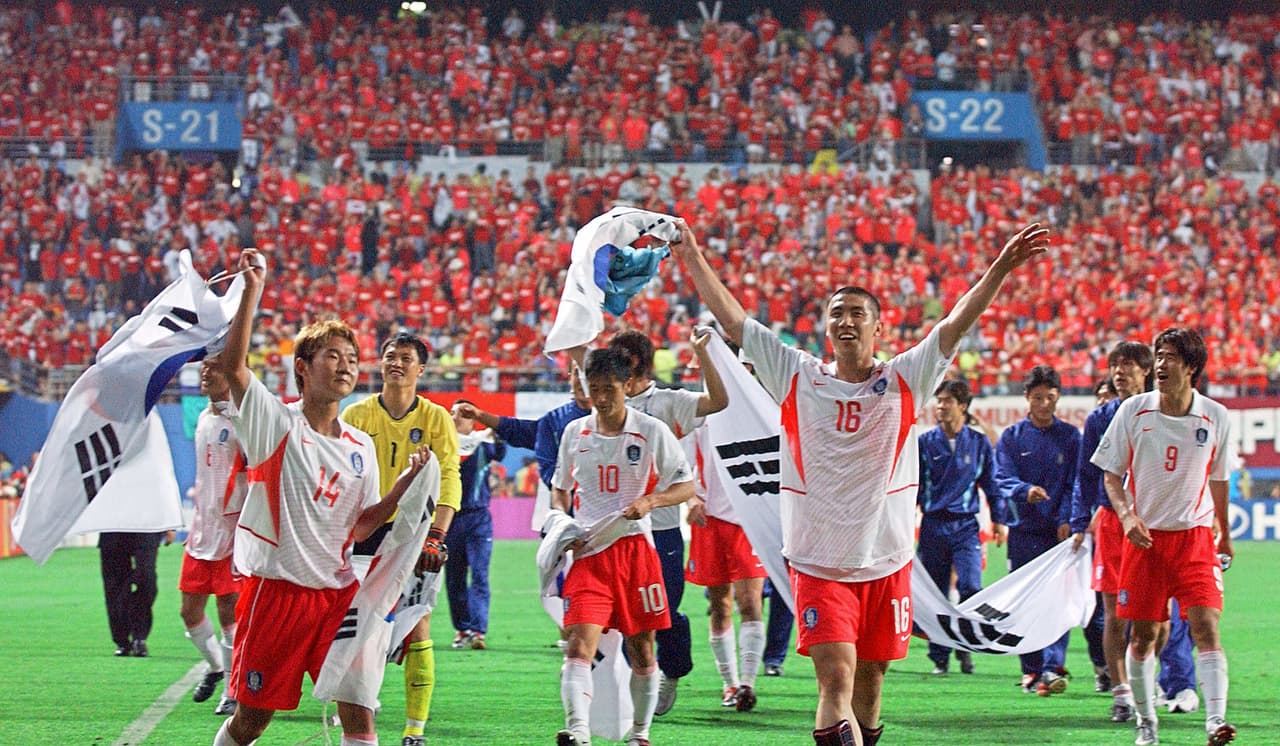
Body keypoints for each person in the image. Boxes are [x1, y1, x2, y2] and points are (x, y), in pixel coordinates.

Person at [671, 218, 1050, 745]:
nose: (845, 321)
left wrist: (1001, 268)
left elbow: (954, 326)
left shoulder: (904, 379)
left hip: (886, 561)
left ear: (878, 328)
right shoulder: (797, 374)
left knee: (871, 684)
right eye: (836, 314)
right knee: (837, 677)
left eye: (856, 313)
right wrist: (691, 252)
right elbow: (735, 323)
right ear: (826, 329)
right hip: (818, 560)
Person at [213, 248, 431, 746]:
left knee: (360, 712)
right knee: (253, 720)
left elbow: (361, 525)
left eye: (352, 359)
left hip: (337, 596)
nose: (345, 366)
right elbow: (234, 368)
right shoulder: (277, 423)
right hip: (279, 595)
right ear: (303, 369)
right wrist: (252, 291)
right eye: (332, 355)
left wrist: (402, 491)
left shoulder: (361, 446)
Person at [1091, 328, 1236, 746]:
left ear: (1191, 367)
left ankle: (1215, 720)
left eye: (1169, 356)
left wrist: (1223, 534)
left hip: (1194, 539)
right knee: (1143, 636)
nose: (1160, 364)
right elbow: (1112, 473)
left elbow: (1220, 479)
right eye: (1158, 355)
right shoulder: (1134, 411)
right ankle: (1146, 721)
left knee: (1205, 624)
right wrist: (1127, 516)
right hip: (1146, 541)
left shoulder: (1216, 416)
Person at [552, 347, 695, 746]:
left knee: (643, 649)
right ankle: (578, 732)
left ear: (627, 386)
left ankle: (640, 733)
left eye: (609, 389)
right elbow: (559, 490)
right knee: (579, 644)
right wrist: (560, 521)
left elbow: (686, 485)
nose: (600, 398)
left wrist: (650, 501)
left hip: (635, 552)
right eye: (593, 389)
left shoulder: (651, 430)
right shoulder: (574, 433)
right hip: (589, 553)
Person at [340, 332, 461, 746]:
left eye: (406, 358)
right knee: (355, 628)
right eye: (390, 355)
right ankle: (357, 703)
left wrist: (437, 536)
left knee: (418, 627)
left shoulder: (435, 418)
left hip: (414, 536)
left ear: (420, 369)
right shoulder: (355, 416)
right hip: (365, 532)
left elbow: (449, 478)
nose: (396, 362)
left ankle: (414, 730)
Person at [605, 328, 728, 715]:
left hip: (661, 527)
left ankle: (671, 672)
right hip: (618, 527)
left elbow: (719, 400)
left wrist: (702, 355)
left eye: (620, 359)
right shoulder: (606, 404)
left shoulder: (668, 402)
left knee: (665, 610)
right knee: (622, 612)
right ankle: (636, 681)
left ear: (637, 363)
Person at [1070, 341, 1155, 722]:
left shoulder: (1161, 412)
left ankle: (1144, 681)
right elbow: (1087, 475)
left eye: (1129, 366)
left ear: (1146, 371)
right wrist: (1080, 520)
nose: (1120, 372)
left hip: (1154, 520)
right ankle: (1121, 693)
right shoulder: (1098, 418)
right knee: (1113, 614)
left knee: (1156, 619)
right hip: (1110, 521)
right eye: (1115, 366)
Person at [994, 365, 1080, 696]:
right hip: (1024, 532)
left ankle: (1052, 667)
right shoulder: (1012, 437)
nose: (1044, 403)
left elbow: (1076, 483)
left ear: (1058, 397)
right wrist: (1023, 490)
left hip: (1058, 534)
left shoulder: (1071, 438)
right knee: (1026, 603)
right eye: (1038, 397)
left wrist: (1067, 519)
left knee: (1058, 602)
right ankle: (1031, 670)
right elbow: (1001, 476)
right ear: (1027, 398)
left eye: (1050, 397)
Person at [916, 379, 1008, 676]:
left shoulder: (979, 443)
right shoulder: (925, 443)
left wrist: (999, 520)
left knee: (971, 587)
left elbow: (991, 485)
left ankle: (967, 648)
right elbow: (914, 488)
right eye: (938, 400)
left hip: (966, 526)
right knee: (936, 594)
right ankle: (939, 656)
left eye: (947, 401)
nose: (940, 406)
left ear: (963, 406)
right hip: (933, 526)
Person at [684, 421, 768, 711]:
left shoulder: (757, 410)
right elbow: (681, 466)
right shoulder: (701, 417)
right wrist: (691, 498)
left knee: (750, 602)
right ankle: (729, 683)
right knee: (720, 605)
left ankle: (748, 683)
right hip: (710, 519)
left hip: (749, 520)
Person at [181, 356, 246, 715]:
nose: (206, 373)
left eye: (215, 368)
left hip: (232, 533)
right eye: (203, 367)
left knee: (228, 613)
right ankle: (216, 668)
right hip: (200, 532)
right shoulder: (205, 417)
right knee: (189, 612)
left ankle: (233, 689)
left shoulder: (241, 419)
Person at [444, 399, 506, 650]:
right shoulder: (444, 445)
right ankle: (462, 629)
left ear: (473, 419)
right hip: (451, 518)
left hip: (479, 518)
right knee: (454, 577)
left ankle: (478, 631)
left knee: (480, 573)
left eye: (462, 413)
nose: (455, 417)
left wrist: (495, 431)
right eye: (452, 413)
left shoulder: (483, 444)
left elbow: (500, 451)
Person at [101, 530, 170, 658]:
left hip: (147, 526)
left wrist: (171, 525)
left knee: (147, 579)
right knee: (115, 586)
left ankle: (139, 636)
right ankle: (122, 640)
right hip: (112, 526)